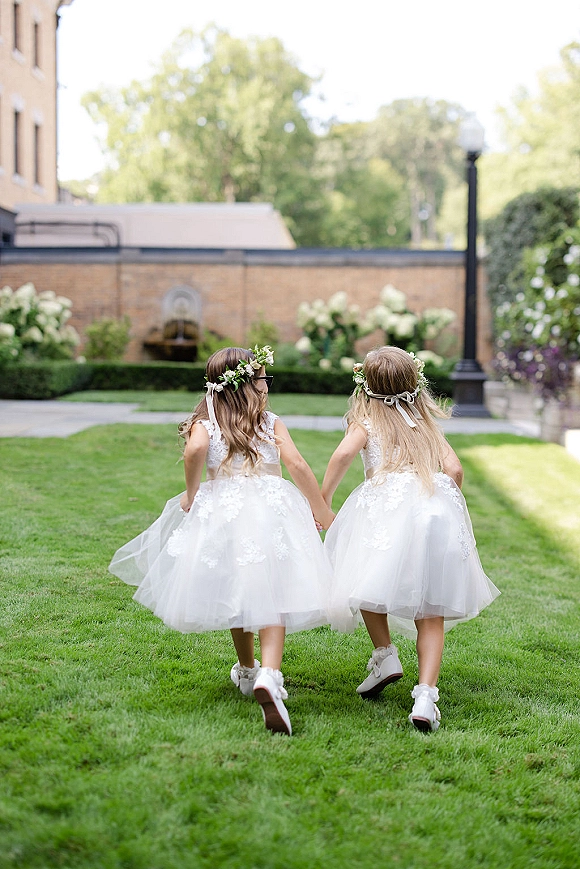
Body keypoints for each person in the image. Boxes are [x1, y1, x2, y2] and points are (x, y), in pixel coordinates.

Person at [109, 346, 334, 736]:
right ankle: (269, 674)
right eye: (263, 377)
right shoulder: (269, 421)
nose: (267, 384)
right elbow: (296, 464)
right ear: (247, 384)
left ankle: (247, 671)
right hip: (271, 507)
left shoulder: (205, 424)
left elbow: (195, 450)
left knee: (239, 589)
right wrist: (320, 509)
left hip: (224, 511)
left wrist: (192, 493)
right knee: (272, 593)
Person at [322, 346, 500, 732]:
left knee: (363, 577)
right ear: (413, 382)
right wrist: (446, 505)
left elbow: (340, 457)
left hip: (385, 505)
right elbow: (453, 468)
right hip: (431, 510)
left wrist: (324, 500)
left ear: (366, 385)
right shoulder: (423, 420)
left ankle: (385, 654)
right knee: (430, 609)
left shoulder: (366, 421)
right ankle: (425, 696)